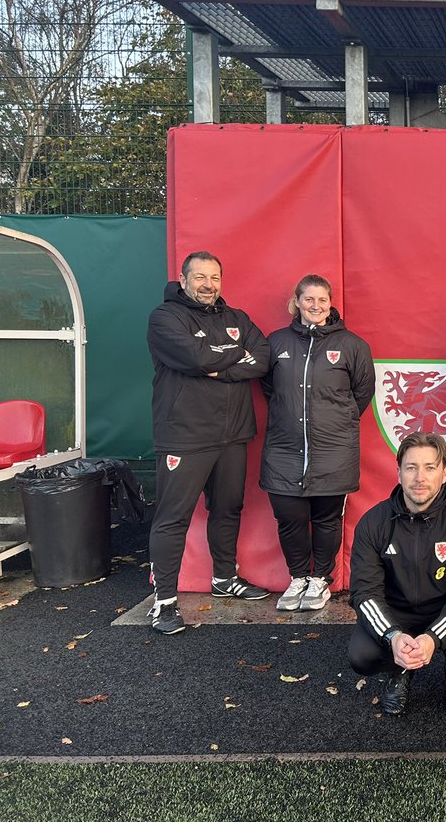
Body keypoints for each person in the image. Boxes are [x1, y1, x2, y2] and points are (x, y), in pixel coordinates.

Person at [145, 250, 271, 635]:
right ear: (183, 280)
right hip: (185, 435)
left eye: (214, 277)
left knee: (228, 507)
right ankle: (164, 603)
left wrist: (217, 364)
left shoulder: (237, 318)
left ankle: (224, 579)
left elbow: (262, 358)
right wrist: (230, 359)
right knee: (173, 517)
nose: (208, 284)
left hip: (233, 434)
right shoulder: (165, 317)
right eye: (199, 277)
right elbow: (193, 355)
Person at [347, 432, 446, 716]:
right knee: (362, 656)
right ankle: (399, 668)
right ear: (398, 472)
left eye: (430, 467)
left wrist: (433, 638)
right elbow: (364, 593)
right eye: (411, 467)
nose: (420, 477)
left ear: (445, 473)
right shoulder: (373, 522)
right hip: (398, 613)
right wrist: (392, 635)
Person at [261, 274, 375, 613]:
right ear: (297, 302)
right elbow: (269, 388)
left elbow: (362, 393)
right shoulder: (277, 342)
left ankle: (320, 579)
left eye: (322, 300)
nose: (315, 306)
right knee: (289, 516)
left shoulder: (352, 345)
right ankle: (298, 576)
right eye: (308, 299)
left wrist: (334, 420)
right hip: (284, 448)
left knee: (327, 518)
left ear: (330, 304)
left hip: (333, 449)